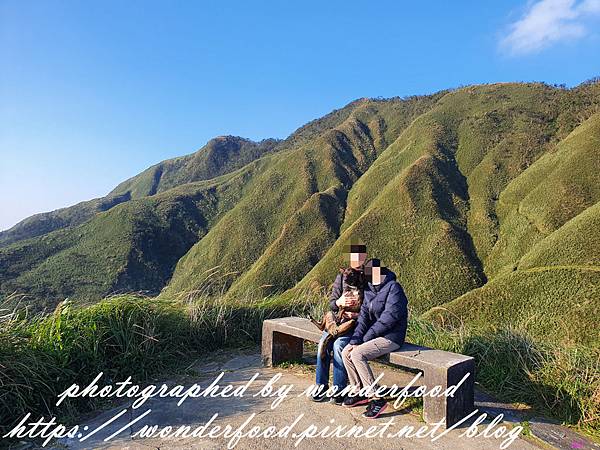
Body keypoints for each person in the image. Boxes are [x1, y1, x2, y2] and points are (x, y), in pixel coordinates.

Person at [341, 258, 408, 419]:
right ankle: (359, 391)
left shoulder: (394, 288)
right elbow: (363, 319)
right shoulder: (369, 290)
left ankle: (377, 398)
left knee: (358, 354)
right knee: (346, 352)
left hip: (392, 337)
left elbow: (389, 319)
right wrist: (355, 340)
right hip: (374, 335)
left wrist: (365, 340)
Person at [312, 243, 367, 404]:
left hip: (356, 325)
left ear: (364, 257)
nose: (357, 259)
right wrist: (339, 302)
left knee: (339, 346)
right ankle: (320, 386)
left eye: (360, 256)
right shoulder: (341, 278)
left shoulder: (368, 277)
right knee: (323, 342)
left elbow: (373, 304)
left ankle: (339, 389)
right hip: (339, 323)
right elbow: (331, 303)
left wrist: (357, 312)